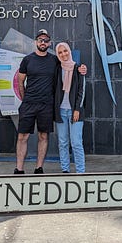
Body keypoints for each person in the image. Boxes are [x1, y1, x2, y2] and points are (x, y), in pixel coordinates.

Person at [15, 29, 86, 174]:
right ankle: (19, 169)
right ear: (36, 42)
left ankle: (39, 168)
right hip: (29, 104)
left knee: (44, 136)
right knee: (23, 136)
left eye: (46, 40)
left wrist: (82, 68)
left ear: (49, 43)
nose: (43, 42)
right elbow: (20, 81)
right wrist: (25, 99)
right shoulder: (27, 60)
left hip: (47, 105)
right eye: (40, 39)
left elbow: (69, 66)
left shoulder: (54, 60)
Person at [54, 42, 86, 173]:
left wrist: (77, 109)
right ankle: (65, 170)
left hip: (75, 111)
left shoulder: (78, 68)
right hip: (61, 111)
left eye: (65, 51)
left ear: (69, 51)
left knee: (76, 143)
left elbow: (81, 91)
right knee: (63, 143)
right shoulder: (57, 69)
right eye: (60, 52)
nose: (63, 54)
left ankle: (80, 171)